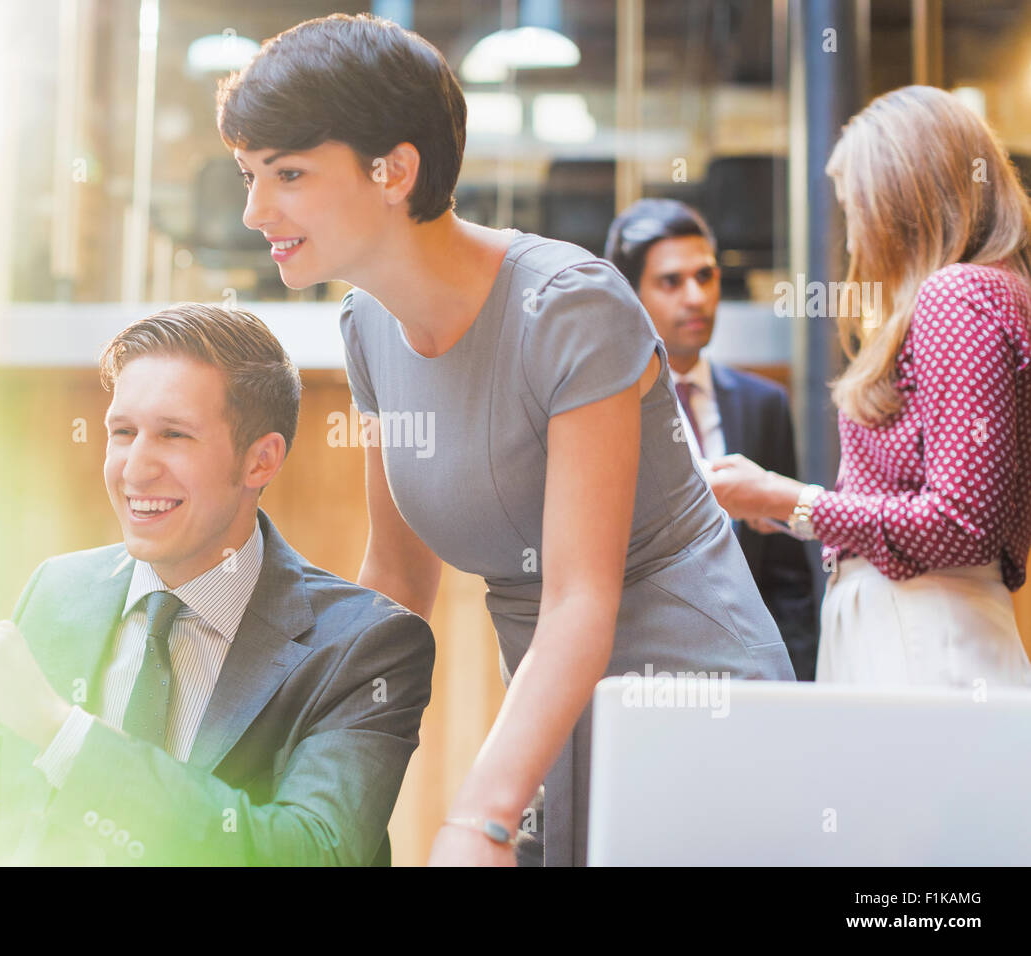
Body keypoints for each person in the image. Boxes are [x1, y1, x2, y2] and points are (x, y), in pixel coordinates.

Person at [217, 13, 794, 867]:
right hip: (549, 705)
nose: (255, 209)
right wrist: (295, 755)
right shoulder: (368, 326)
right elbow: (397, 581)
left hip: (693, 696)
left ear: (395, 171)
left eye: (288, 174)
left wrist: (478, 816)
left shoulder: (570, 306)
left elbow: (577, 601)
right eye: (248, 175)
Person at [0, 304, 436, 865]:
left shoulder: (366, 648)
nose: (136, 469)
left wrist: (63, 733)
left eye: (173, 435)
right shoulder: (58, 592)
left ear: (260, 461)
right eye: (122, 432)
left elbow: (311, 853)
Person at [706, 85, 1031, 688]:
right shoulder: (991, 293)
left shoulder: (956, 296)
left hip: (922, 637)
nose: (852, 240)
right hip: (927, 630)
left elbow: (960, 522)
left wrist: (786, 499)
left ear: (902, 202)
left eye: (856, 210)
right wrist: (790, 512)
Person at [605, 198, 820, 680]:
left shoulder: (763, 403)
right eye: (671, 281)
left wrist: (797, 689)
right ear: (630, 293)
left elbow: (788, 579)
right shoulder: (603, 412)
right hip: (640, 676)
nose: (696, 296)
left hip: (750, 680)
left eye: (706, 276)